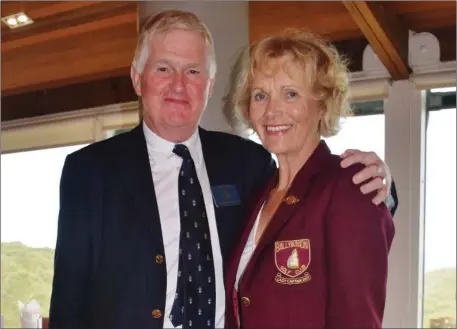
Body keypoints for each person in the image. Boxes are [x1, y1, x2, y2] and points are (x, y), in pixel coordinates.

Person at [49, 10, 397, 329]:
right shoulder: (89, 172)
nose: (179, 84)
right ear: (138, 78)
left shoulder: (247, 164)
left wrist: (382, 185)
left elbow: (332, 210)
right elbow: (69, 304)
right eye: (163, 68)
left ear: (210, 85)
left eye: (193, 71)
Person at [224, 29, 396, 329]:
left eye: (290, 93)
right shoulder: (256, 194)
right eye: (260, 95)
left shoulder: (349, 186)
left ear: (322, 103)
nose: (272, 110)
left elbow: (358, 320)